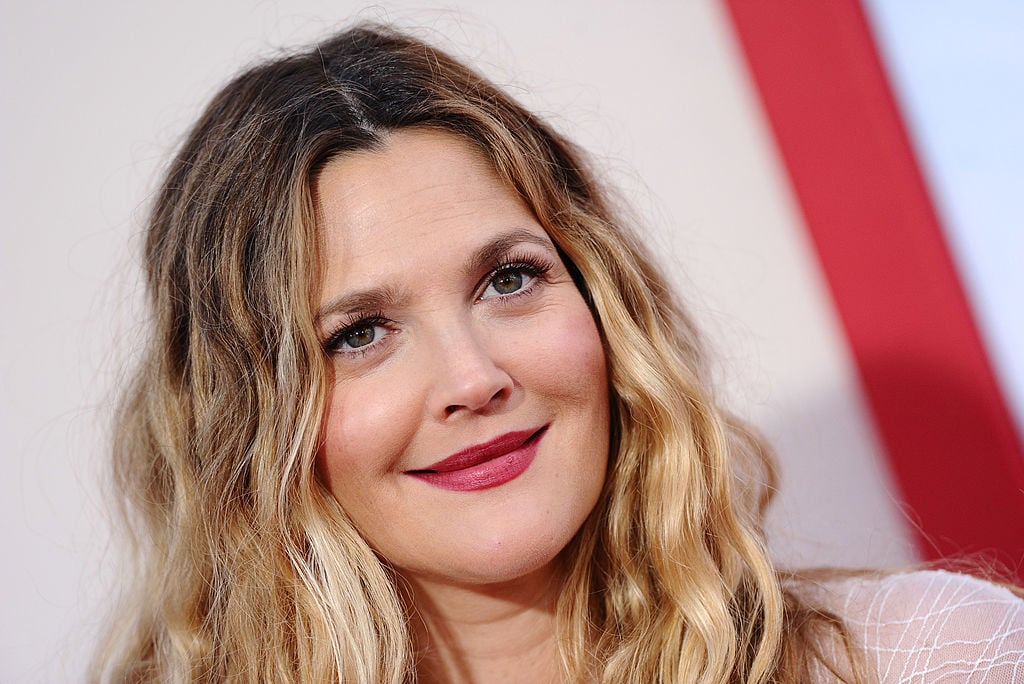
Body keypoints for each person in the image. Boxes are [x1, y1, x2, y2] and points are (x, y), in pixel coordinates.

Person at [97, 24, 1024, 683]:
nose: (473, 380)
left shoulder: (936, 661)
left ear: (603, 297)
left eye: (509, 279)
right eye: (359, 334)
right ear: (246, 424)